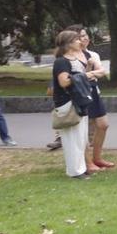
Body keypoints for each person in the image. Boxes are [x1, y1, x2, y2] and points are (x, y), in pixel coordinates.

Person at [65, 25, 112, 172]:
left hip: (93, 91)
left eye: (85, 35)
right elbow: (75, 78)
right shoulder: (68, 56)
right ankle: (87, 161)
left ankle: (97, 157)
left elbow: (101, 71)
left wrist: (91, 72)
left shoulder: (91, 55)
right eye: (81, 36)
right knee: (83, 129)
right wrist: (90, 72)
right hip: (79, 93)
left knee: (103, 124)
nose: (84, 38)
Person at [50, 30, 93, 179]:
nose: (80, 41)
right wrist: (85, 75)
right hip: (67, 102)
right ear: (68, 44)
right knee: (72, 138)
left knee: (81, 137)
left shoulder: (75, 59)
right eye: (76, 40)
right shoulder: (62, 61)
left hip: (78, 100)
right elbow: (63, 82)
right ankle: (75, 171)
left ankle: (80, 167)